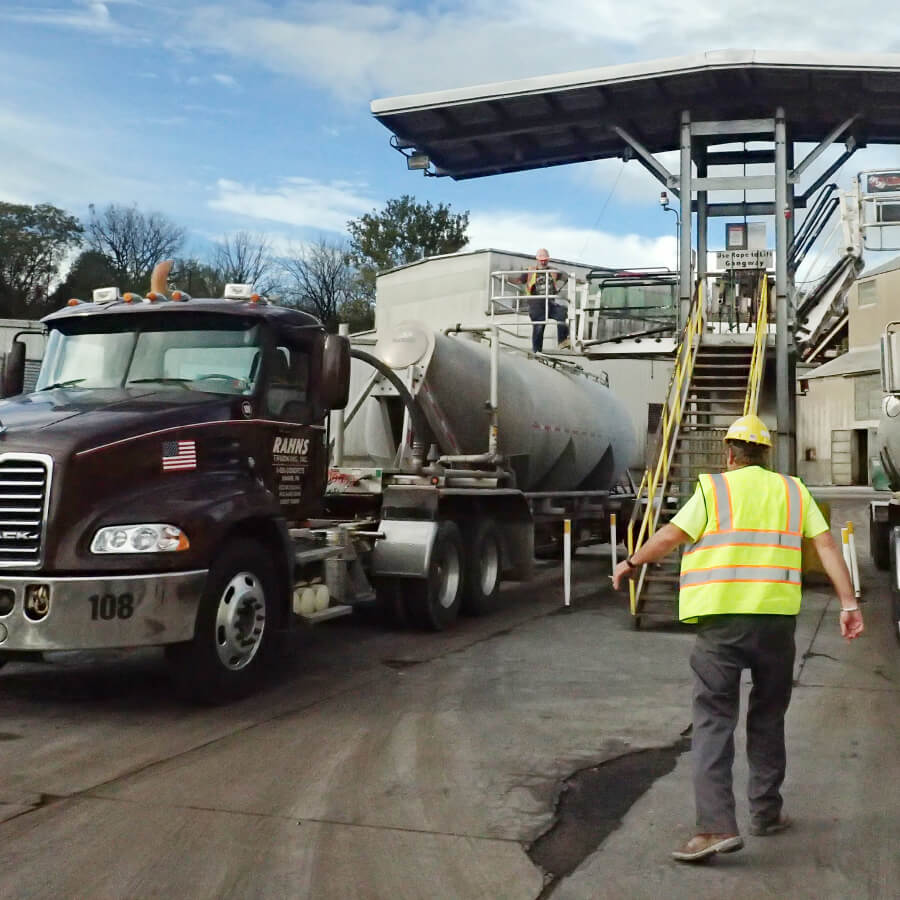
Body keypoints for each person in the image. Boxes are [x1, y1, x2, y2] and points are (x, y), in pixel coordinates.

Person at [612, 414, 863, 863]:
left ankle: (714, 828)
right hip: (775, 623)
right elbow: (826, 546)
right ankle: (766, 812)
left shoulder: (713, 490)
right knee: (768, 717)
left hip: (721, 623)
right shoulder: (792, 490)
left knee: (714, 718)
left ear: (728, 454)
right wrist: (849, 605)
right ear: (765, 455)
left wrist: (631, 563)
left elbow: (670, 536)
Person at [510, 248, 571, 353]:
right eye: (541, 260)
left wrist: (579, 280)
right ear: (537, 259)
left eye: (545, 260)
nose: (543, 262)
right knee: (539, 325)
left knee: (562, 312)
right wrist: (505, 278)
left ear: (548, 259)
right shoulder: (530, 271)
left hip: (550, 303)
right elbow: (518, 280)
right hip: (536, 303)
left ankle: (562, 341)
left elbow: (567, 277)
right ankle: (537, 352)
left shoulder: (554, 271)